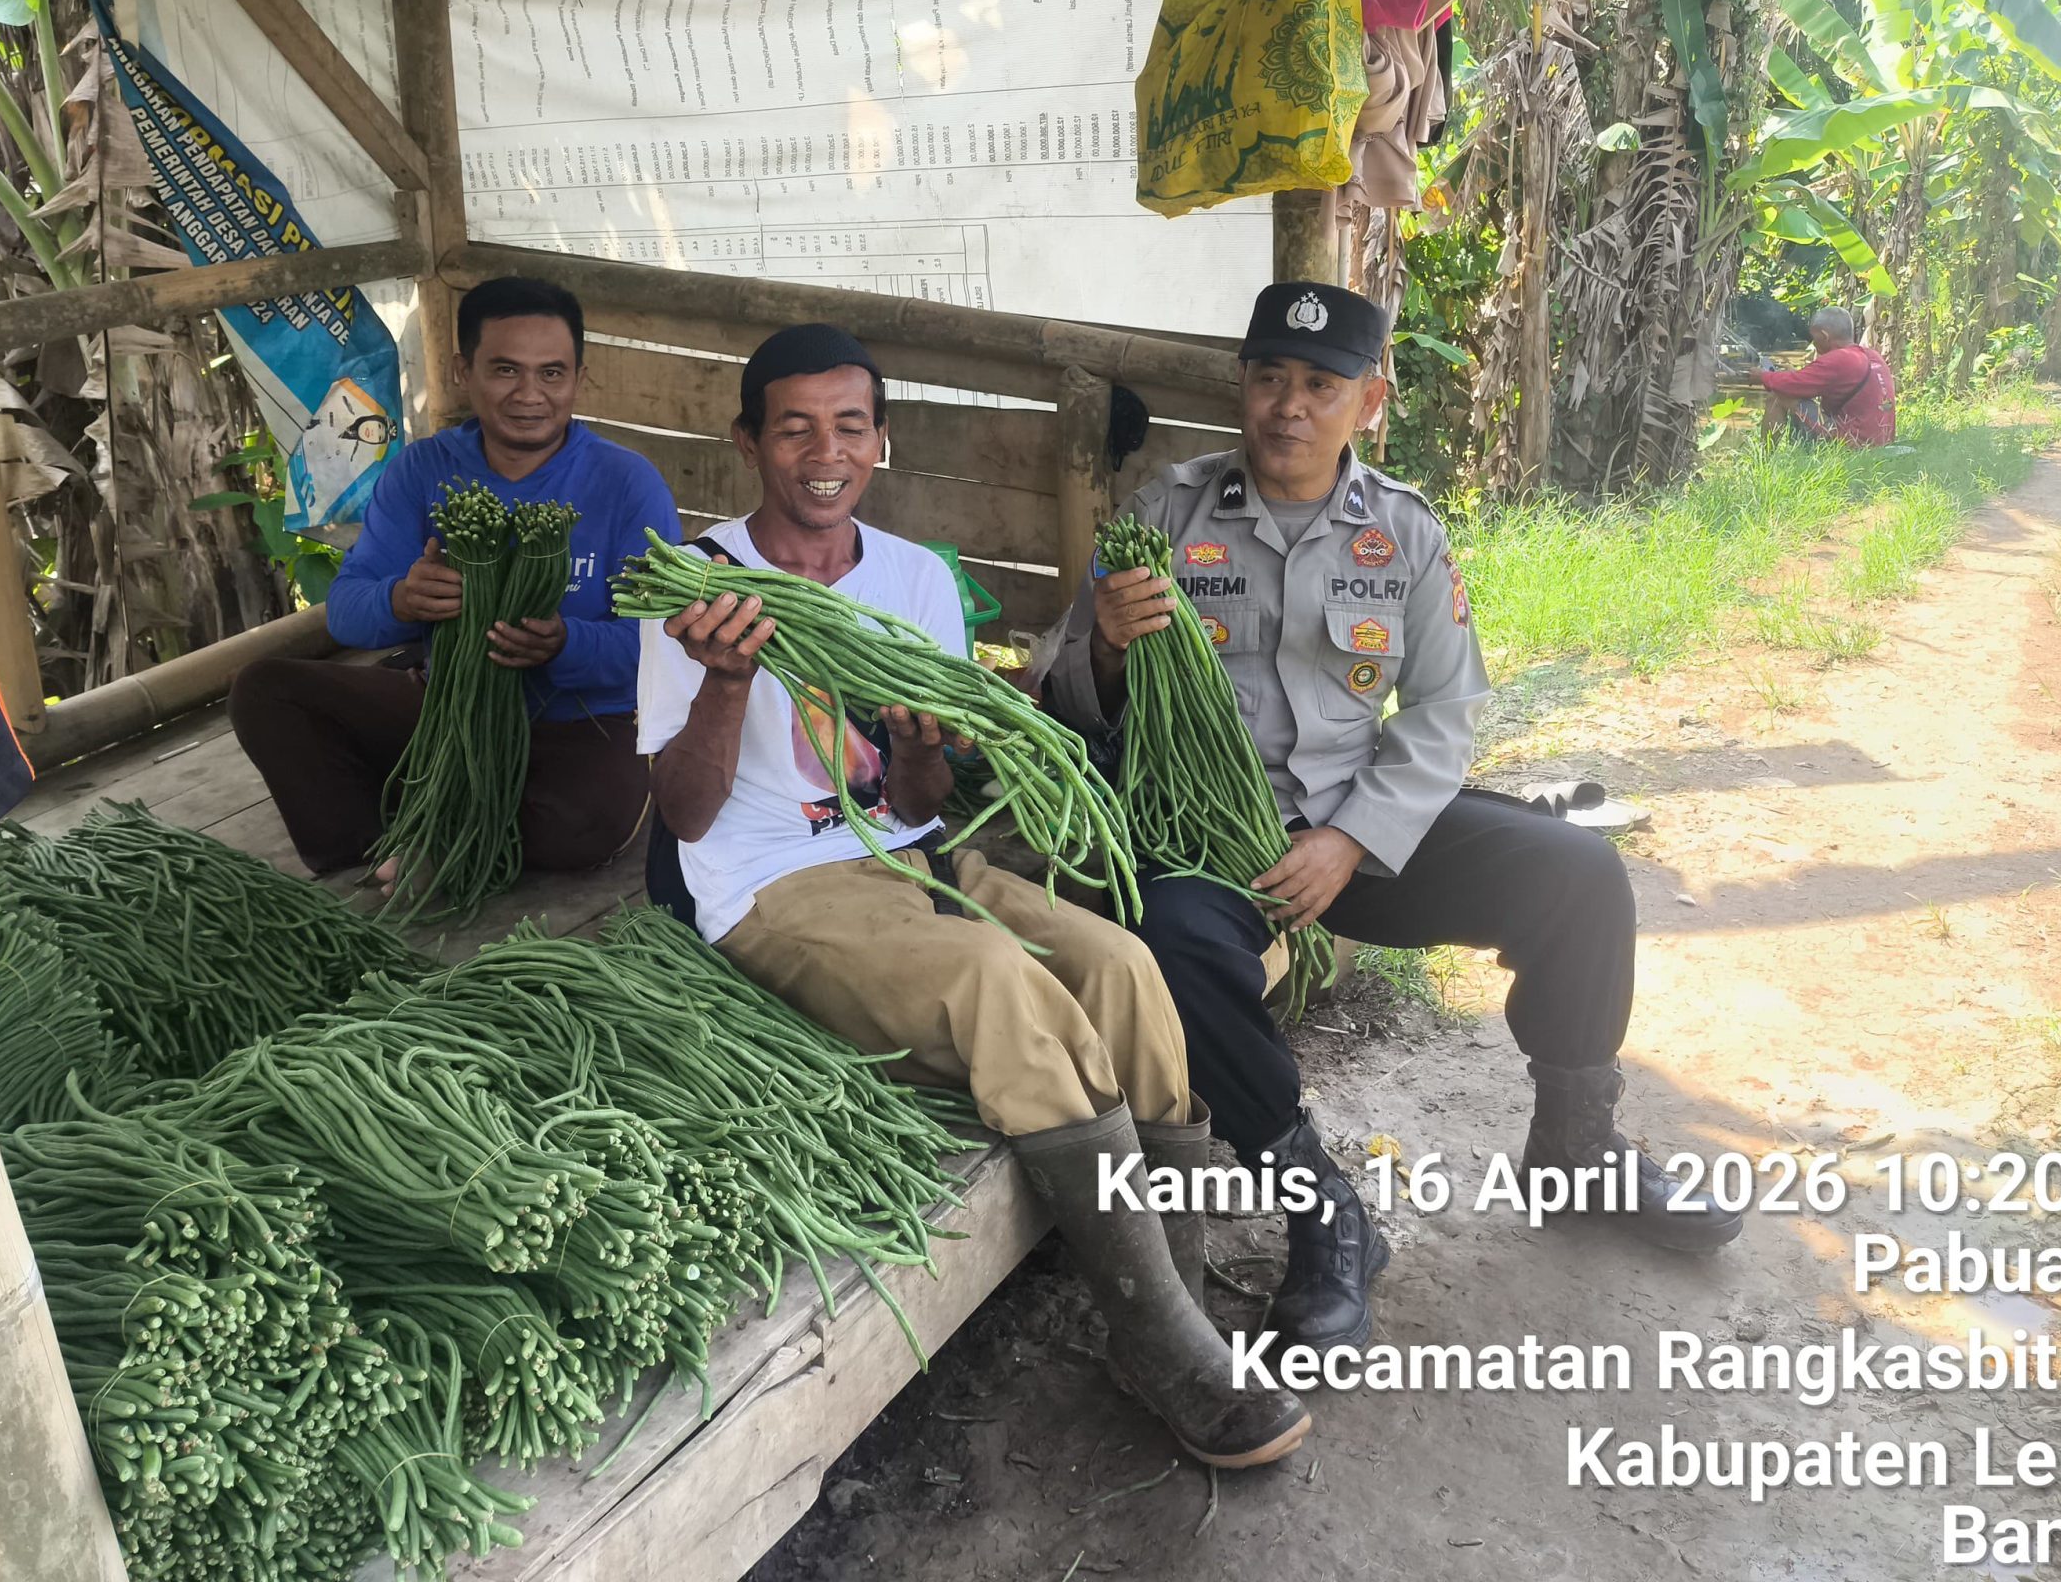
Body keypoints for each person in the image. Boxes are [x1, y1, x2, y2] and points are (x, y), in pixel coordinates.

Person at [637, 323, 1309, 1471]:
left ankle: (1176, 1301)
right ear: (747, 441)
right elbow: (685, 814)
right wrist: (726, 682)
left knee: (1123, 965)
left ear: (880, 440)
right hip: (770, 885)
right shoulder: (696, 589)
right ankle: (1160, 1338)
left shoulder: (911, 579)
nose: (824, 452)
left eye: (849, 426)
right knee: (1002, 983)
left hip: (912, 855)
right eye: (794, 429)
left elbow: (920, 800)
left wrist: (917, 748)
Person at [1047, 281, 1743, 1353]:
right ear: (1242, 386)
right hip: (1208, 845)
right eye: (1270, 378)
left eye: (1320, 386)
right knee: (1171, 943)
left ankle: (1576, 1145)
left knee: (1579, 874)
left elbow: (1444, 711)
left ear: (1368, 403)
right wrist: (1101, 646)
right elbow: (1062, 696)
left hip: (1358, 831)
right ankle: (1322, 1210)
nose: (1289, 406)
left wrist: (1351, 839)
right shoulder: (1163, 516)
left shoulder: (1402, 532)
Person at [228, 277, 677, 876]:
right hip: (445, 708)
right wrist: (402, 600)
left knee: (584, 824)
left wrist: (566, 644)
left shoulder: (627, 482)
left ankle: (434, 830)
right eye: (505, 370)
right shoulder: (423, 470)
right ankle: (375, 848)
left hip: (576, 722)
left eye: (551, 373)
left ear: (579, 378)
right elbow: (347, 610)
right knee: (265, 691)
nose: (529, 395)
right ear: (464, 371)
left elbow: (661, 641)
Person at [1754, 304, 1896, 446]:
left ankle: (1765, 456)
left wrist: (1762, 376)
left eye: (1814, 338)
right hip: (1881, 441)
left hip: (1855, 443)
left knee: (1778, 395)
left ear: (1824, 335)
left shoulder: (1838, 359)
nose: (1814, 343)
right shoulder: (1872, 355)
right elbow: (1805, 383)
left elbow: (1793, 385)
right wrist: (1794, 377)